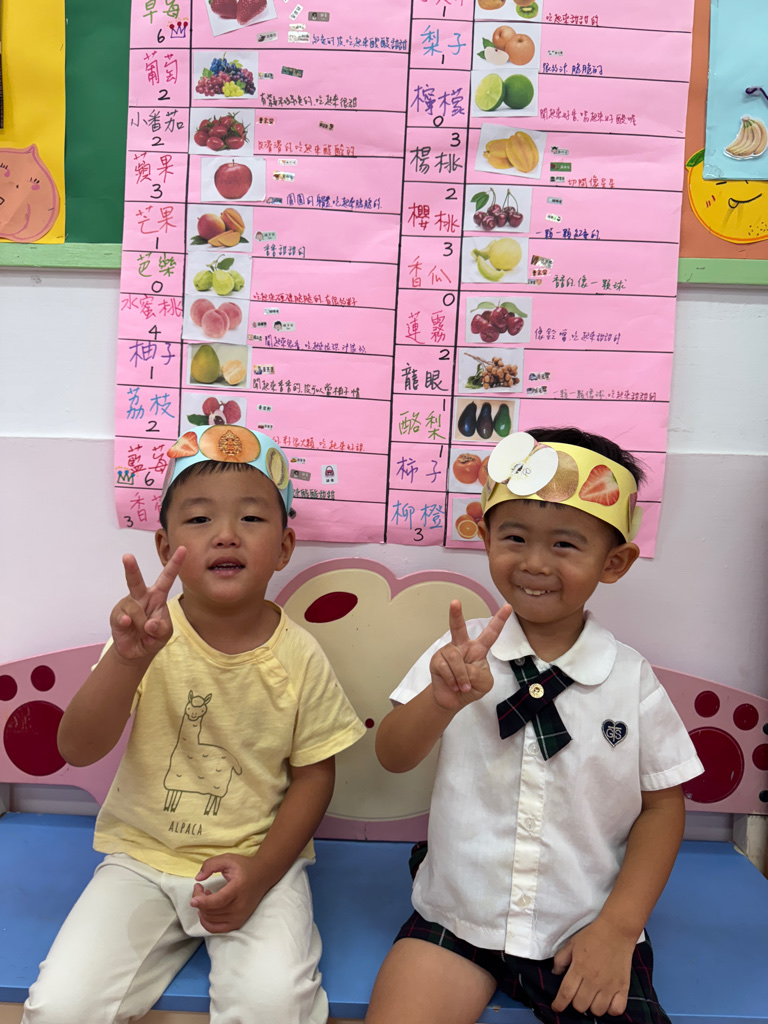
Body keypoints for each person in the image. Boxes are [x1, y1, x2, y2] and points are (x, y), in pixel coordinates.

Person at [23, 424, 366, 1024]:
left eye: (251, 519)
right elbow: (75, 748)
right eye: (200, 519)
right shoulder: (145, 639)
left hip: (257, 859)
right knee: (61, 1007)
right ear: (164, 546)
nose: (226, 534)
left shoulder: (300, 656)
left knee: (273, 1005)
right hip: (142, 859)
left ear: (284, 547)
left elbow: (315, 777)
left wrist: (261, 874)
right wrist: (126, 661)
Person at [366, 427, 704, 1024]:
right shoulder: (460, 655)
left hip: (583, 927)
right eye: (514, 537)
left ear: (614, 562)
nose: (535, 563)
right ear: (485, 537)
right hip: (458, 912)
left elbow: (661, 807)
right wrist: (439, 702)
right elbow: (392, 756)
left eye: (565, 545)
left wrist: (619, 928)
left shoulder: (630, 679)